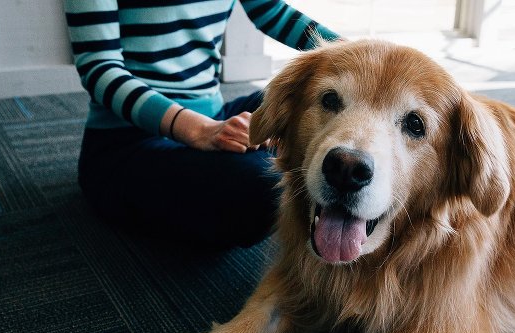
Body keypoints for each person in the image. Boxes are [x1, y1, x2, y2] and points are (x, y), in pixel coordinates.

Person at [65, 1, 340, 247]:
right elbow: (99, 67)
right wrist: (199, 130)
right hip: (128, 141)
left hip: (214, 115)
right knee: (262, 185)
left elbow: (273, 12)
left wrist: (358, 55)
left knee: (311, 105)